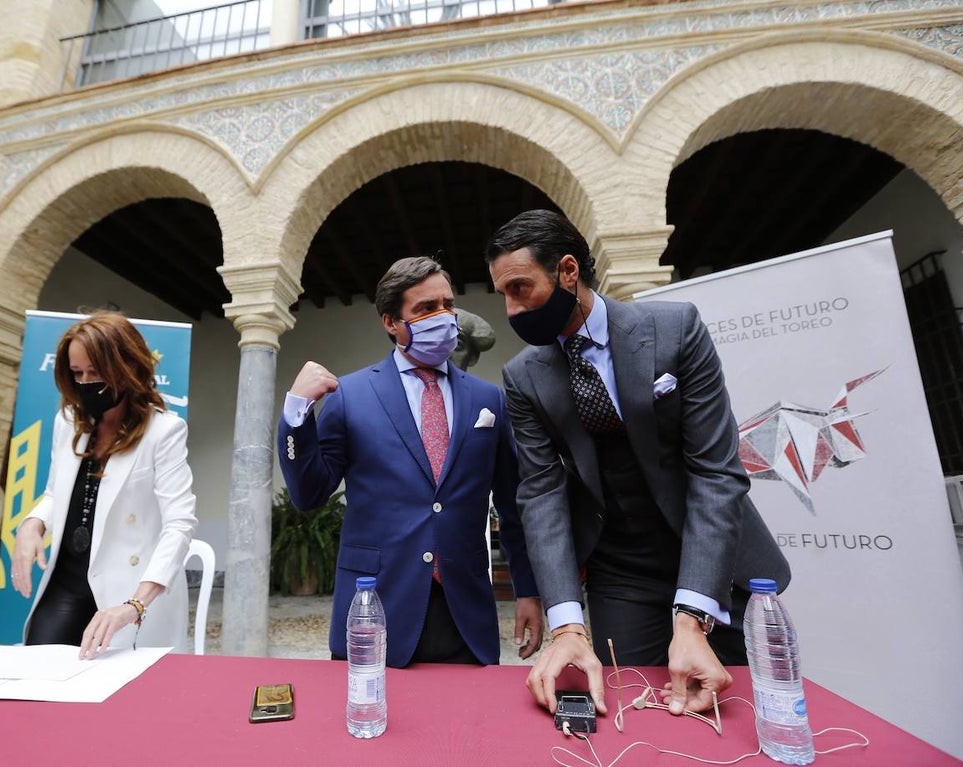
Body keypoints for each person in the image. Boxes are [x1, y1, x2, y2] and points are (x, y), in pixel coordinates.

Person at [485, 210, 790, 717]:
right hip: (621, 568)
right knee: (635, 708)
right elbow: (540, 494)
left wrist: (691, 616)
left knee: (741, 710)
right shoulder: (523, 376)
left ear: (567, 271)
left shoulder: (674, 329)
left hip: (715, 556)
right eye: (504, 295)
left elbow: (716, 472)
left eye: (520, 288)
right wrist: (567, 626)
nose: (512, 310)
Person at [277, 256, 543, 668]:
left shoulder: (488, 398)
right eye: (426, 308)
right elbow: (309, 494)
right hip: (375, 608)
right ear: (391, 322)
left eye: (447, 304)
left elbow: (513, 504)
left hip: (465, 613)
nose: (444, 317)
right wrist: (296, 413)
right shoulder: (350, 396)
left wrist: (528, 589)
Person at [11, 311, 198, 658]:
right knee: (36, 668)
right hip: (67, 580)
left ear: (127, 368)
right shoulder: (68, 421)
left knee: (123, 687)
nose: (85, 383)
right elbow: (54, 493)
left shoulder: (164, 431)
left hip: (130, 588)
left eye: (95, 373)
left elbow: (179, 524)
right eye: (77, 373)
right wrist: (31, 524)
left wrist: (135, 605)